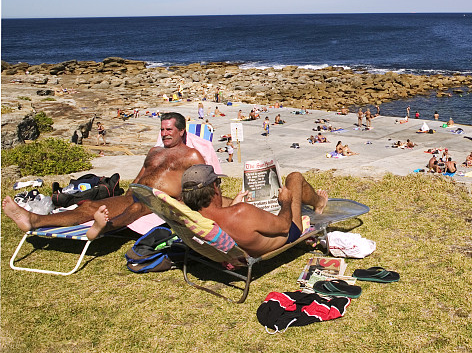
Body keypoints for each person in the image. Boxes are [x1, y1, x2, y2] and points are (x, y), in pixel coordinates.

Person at [2, 113, 208, 240]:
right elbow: (141, 176)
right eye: (162, 129)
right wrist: (128, 193)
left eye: (169, 129)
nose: (164, 133)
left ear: (182, 131)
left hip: (161, 201)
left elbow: (204, 184)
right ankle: (34, 220)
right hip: (136, 195)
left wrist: (182, 203)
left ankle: (103, 227)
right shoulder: (155, 151)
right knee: (91, 206)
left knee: (136, 209)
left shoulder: (192, 155)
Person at [179, 165, 328, 257]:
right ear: (214, 188)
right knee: (294, 177)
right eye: (218, 183)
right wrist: (286, 202)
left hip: (244, 237)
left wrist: (233, 205)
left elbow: (228, 219)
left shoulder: (193, 216)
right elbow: (284, 226)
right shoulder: (241, 212)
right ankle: (320, 203)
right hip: (288, 232)